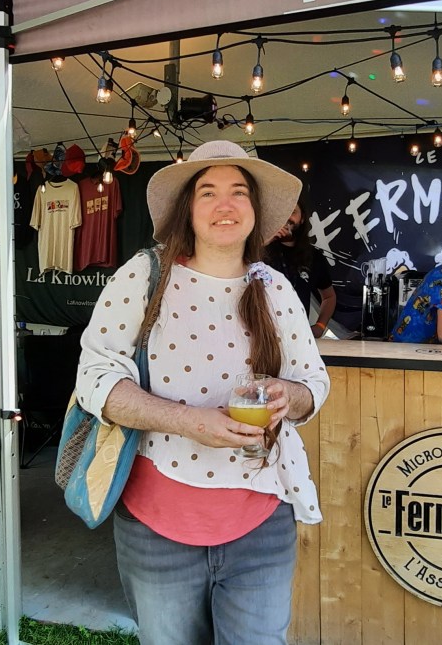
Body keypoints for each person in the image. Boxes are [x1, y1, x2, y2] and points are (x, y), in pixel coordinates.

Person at [75, 140, 330, 645]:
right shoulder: (145, 275)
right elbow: (95, 381)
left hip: (262, 519)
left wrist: (288, 395)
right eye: (207, 191)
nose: (225, 204)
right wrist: (192, 422)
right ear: (187, 210)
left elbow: (313, 384)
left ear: (255, 212)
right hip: (156, 524)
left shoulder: (274, 287)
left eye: (238, 191)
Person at [264, 201, 336, 338]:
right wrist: (264, 242)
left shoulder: (314, 257)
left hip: (298, 338)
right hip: (261, 336)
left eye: (292, 212)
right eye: (282, 213)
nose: (286, 218)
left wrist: (321, 325)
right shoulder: (258, 251)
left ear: (302, 218)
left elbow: (329, 296)